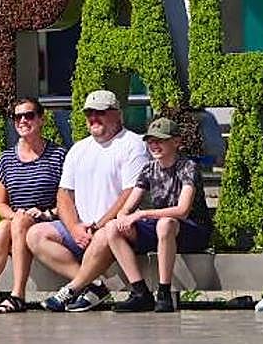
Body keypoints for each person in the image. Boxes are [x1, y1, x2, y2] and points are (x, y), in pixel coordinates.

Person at [26, 89, 147, 312]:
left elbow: (130, 193)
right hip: (83, 229)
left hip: (117, 229)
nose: (93, 117)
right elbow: (64, 194)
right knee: (35, 234)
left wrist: (98, 225)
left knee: (105, 233)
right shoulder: (79, 149)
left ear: (117, 114)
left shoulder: (133, 144)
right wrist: (74, 229)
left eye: (100, 112)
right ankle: (95, 286)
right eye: (89, 113)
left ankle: (72, 289)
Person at [106, 116, 211, 312]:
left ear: (176, 142)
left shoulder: (188, 167)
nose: (154, 145)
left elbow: (182, 210)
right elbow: (126, 208)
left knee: (165, 223)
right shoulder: (148, 168)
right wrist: (123, 218)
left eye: (160, 140)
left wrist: (141, 214)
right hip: (161, 230)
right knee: (112, 228)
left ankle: (164, 292)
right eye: (151, 141)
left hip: (192, 230)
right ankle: (140, 293)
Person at [0, 97, 67, 314]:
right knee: (5, 225)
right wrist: (17, 216)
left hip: (48, 222)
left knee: (17, 223)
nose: (23, 121)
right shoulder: (6, 159)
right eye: (17, 117)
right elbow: (1, 203)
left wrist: (45, 213)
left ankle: (18, 294)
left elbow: (68, 202)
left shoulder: (58, 155)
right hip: (18, 222)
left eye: (29, 115)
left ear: (41, 119)